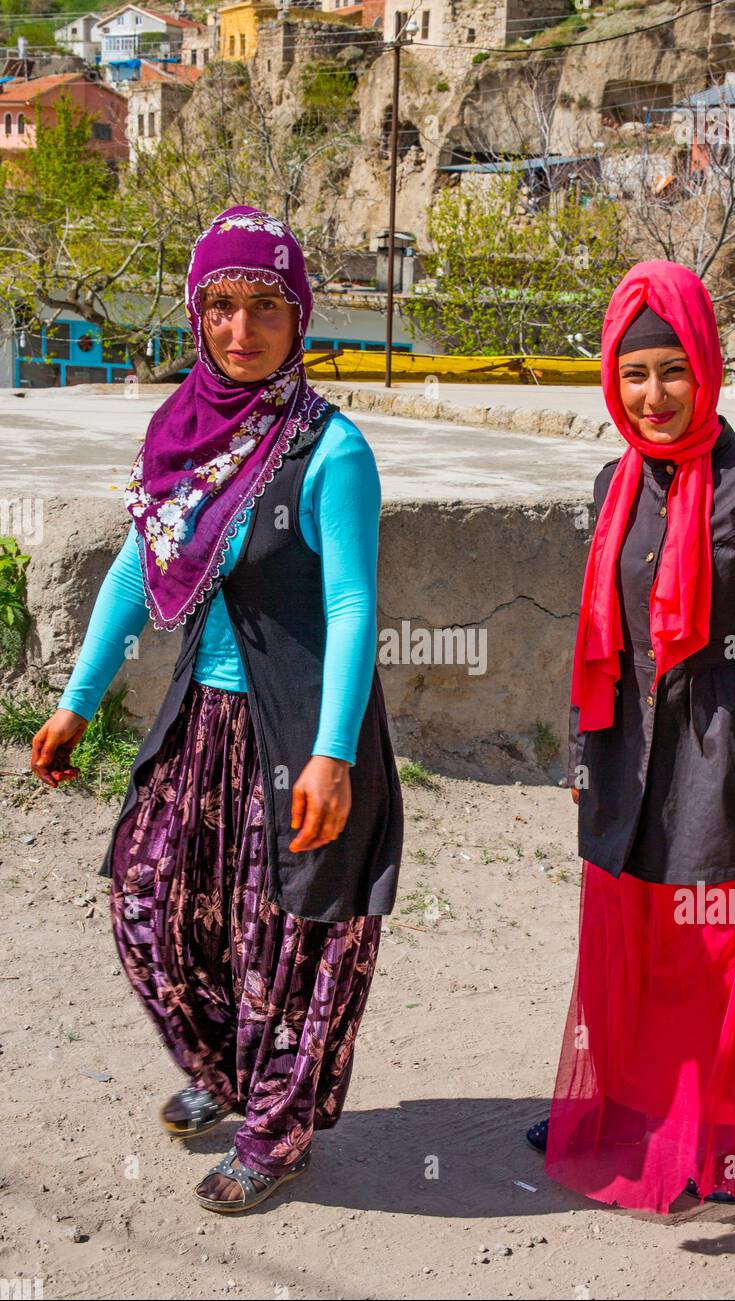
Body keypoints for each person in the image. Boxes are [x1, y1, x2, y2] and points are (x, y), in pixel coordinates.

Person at [31, 204, 404, 1215]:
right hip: (206, 722)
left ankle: (276, 1129)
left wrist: (333, 755)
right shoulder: (185, 440)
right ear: (197, 316)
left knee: (285, 936)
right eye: (222, 307)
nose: (242, 330)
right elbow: (128, 573)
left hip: (303, 736)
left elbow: (351, 603)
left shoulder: (332, 452)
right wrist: (76, 703)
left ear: (300, 317)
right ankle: (225, 1068)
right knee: (152, 899)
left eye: (266, 307)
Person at [525, 259, 735, 1213]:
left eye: (671, 372)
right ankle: (633, 1114)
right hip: (626, 756)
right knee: (638, 948)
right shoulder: (616, 484)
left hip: (721, 765)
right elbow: (592, 637)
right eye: (634, 374)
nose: (652, 396)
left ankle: (723, 1136)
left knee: (718, 951)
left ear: (707, 369)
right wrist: (581, 755)